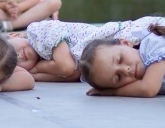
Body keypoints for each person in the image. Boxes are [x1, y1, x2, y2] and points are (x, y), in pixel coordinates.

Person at [8, 17, 160, 82]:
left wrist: (35, 69)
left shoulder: (38, 31)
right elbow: (73, 74)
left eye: (13, 50)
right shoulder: (47, 58)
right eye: (16, 63)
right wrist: (30, 75)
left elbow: (66, 68)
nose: (19, 57)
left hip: (117, 41)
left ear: (13, 35)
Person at [78, 22, 165, 97]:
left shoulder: (152, 46)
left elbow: (148, 89)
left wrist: (112, 92)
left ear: (125, 43)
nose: (125, 70)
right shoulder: (142, 80)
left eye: (120, 60)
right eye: (118, 77)